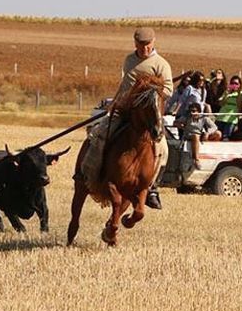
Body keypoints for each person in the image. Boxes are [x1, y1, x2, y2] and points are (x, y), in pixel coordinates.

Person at [83, 27, 173, 209]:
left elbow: (169, 90)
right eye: (141, 45)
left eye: (147, 45)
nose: (144, 49)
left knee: (163, 149)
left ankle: (152, 187)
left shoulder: (161, 64)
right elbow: (125, 85)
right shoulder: (129, 60)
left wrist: (151, 92)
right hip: (125, 111)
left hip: (149, 116)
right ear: (135, 43)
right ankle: (91, 174)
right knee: (99, 135)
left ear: (153, 42)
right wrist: (115, 102)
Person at [185, 102, 221, 169]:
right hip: (189, 135)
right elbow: (176, 122)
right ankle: (196, 159)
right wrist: (180, 125)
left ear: (198, 111)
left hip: (200, 135)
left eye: (194, 111)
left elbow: (214, 127)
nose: (192, 113)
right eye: (190, 111)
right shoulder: (187, 117)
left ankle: (210, 149)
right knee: (196, 136)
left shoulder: (204, 118)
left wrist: (208, 133)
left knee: (218, 134)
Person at [215, 75, 242, 140]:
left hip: (231, 119)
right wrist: (226, 95)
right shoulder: (226, 93)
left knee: (225, 137)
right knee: (217, 135)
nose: (234, 85)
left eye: (236, 83)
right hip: (221, 117)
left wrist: (238, 93)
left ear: (240, 85)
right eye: (232, 83)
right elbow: (220, 103)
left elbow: (240, 106)